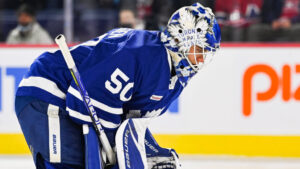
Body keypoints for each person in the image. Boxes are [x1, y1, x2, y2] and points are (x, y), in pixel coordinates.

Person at [15, 3, 220, 169]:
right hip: (48, 91)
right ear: (180, 39)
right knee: (70, 163)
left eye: (207, 52)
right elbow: (83, 101)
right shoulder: (140, 52)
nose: (202, 59)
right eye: (199, 49)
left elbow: (126, 122)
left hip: (64, 100)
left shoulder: (176, 80)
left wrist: (150, 150)